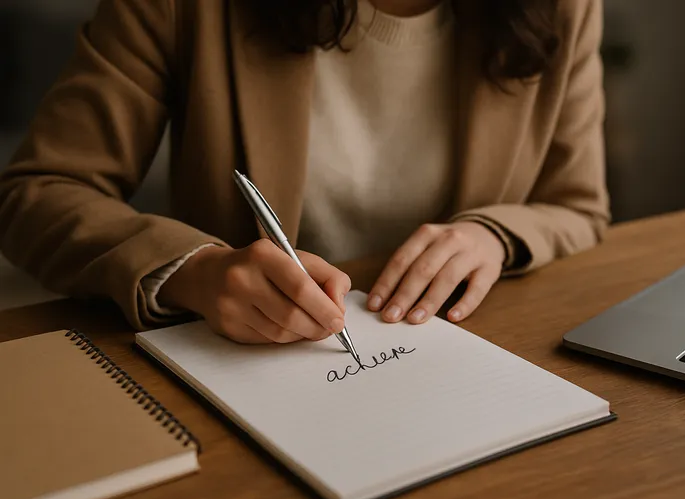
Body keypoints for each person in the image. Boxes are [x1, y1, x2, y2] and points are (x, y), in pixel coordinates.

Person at [0, 0, 609, 345]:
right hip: (244, 367)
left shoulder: (563, 7)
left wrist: (493, 235)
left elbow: (576, 205)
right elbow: (37, 192)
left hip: (456, 351)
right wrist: (193, 270)